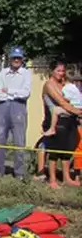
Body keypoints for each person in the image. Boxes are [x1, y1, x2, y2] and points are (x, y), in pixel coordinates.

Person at [0, 47, 32, 178]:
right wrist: (13, 93)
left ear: (22, 59)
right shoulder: (3, 73)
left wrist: (8, 91)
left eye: (18, 58)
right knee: (0, 139)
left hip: (19, 106)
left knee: (19, 141)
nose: (16, 60)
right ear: (10, 59)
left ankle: (19, 172)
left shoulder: (25, 73)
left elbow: (25, 93)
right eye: (14, 58)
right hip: (3, 106)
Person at [41, 60, 81, 189]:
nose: (61, 73)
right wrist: (78, 111)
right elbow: (62, 102)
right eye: (58, 70)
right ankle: (52, 180)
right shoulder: (49, 85)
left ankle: (66, 178)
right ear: (51, 71)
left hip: (68, 119)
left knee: (68, 149)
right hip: (54, 121)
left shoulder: (64, 84)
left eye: (63, 71)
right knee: (54, 151)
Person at [44, 72, 82, 137]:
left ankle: (52, 129)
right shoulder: (75, 87)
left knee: (55, 110)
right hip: (80, 107)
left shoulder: (66, 88)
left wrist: (62, 98)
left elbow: (66, 99)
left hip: (74, 108)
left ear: (63, 79)